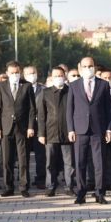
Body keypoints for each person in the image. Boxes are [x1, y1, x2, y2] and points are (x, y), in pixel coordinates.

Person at [66, 57, 111, 204]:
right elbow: (69, 110)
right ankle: (81, 192)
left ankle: (99, 193)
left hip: (98, 129)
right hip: (80, 130)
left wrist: (109, 130)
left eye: (90, 66)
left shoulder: (104, 85)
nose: (88, 69)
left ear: (95, 67)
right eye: (85, 66)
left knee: (99, 163)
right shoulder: (73, 85)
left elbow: (109, 110)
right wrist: (70, 129)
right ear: (80, 67)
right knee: (80, 163)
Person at [0, 61, 36, 197]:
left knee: (23, 158)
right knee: (7, 159)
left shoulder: (27, 86)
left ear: (20, 72)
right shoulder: (1, 86)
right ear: (7, 73)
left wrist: (30, 127)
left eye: (17, 72)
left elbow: (31, 109)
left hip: (22, 127)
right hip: (5, 127)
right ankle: (8, 186)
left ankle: (23, 187)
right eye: (12, 73)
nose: (14, 75)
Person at [38, 67, 75, 197]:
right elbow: (41, 115)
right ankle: (50, 186)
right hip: (50, 132)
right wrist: (41, 133)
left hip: (67, 132)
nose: (59, 77)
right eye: (56, 75)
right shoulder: (45, 92)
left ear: (65, 76)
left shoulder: (71, 91)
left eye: (61, 75)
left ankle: (69, 186)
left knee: (69, 162)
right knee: (50, 162)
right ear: (52, 77)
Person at [24, 65, 46, 189]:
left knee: (40, 155)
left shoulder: (44, 89)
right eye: (28, 73)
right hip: (24, 127)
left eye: (34, 73)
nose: (32, 75)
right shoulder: (21, 88)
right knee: (24, 155)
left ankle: (40, 179)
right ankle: (25, 179)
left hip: (39, 126)